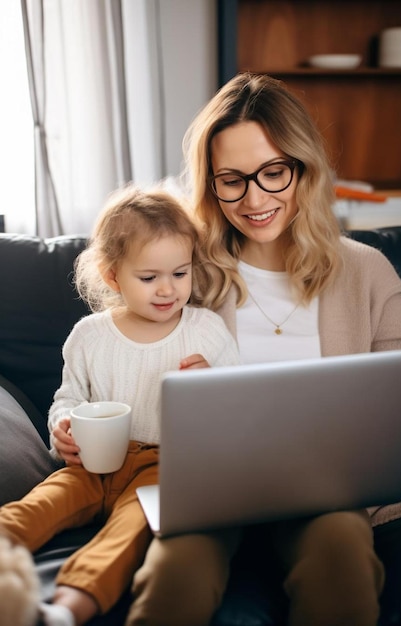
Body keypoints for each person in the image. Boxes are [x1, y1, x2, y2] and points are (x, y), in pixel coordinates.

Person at [125, 73, 401, 626]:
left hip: (329, 501)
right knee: (174, 575)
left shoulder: (369, 274)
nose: (254, 200)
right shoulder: (187, 275)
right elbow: (119, 357)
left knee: (342, 556)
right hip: (208, 499)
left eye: (273, 173)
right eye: (231, 180)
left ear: (303, 168)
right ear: (210, 185)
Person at [0, 185, 240, 626]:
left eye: (181, 273)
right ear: (113, 277)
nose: (168, 289)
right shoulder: (89, 336)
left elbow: (240, 410)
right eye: (149, 278)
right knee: (32, 509)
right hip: (91, 465)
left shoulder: (205, 330)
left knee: (127, 534)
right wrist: (63, 427)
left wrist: (213, 385)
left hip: (165, 467)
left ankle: (65, 612)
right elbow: (68, 398)